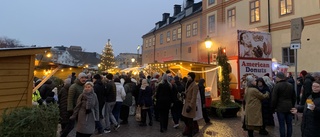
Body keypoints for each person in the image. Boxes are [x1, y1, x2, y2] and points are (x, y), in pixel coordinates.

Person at [61, 72, 87, 137]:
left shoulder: (84, 86)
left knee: (80, 125)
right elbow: (70, 99)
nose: (84, 79)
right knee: (70, 126)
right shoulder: (73, 87)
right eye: (82, 78)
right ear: (79, 78)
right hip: (74, 110)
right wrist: (70, 109)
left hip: (81, 109)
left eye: (85, 78)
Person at [271, 72, 296, 137]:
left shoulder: (277, 86)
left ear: (279, 78)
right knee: (289, 124)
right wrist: (292, 106)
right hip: (289, 107)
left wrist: (273, 108)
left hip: (280, 108)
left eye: (276, 77)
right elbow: (294, 97)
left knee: (282, 125)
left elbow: (274, 99)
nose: (275, 78)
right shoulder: (290, 85)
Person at [182, 72, 199, 137]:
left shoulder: (195, 85)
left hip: (190, 105)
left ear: (192, 77)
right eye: (187, 76)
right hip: (186, 103)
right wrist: (184, 94)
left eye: (189, 76)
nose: (187, 77)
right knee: (184, 118)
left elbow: (194, 97)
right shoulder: (188, 83)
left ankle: (190, 133)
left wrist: (190, 106)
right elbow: (188, 93)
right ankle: (189, 130)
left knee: (190, 120)